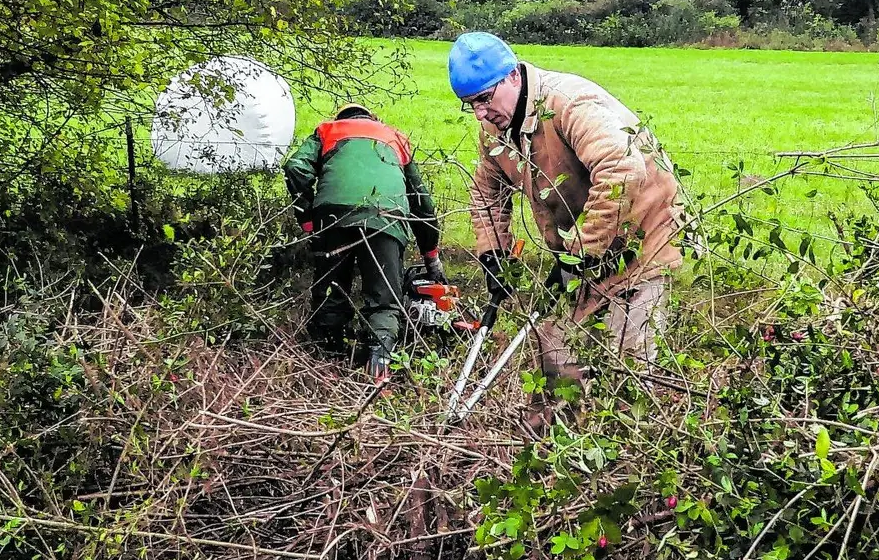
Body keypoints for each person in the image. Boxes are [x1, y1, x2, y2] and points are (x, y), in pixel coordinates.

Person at [448, 31, 685, 403]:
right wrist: (494, 254)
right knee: (555, 343)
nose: (480, 113)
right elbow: (486, 193)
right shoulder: (494, 127)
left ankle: (628, 449)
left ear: (512, 76)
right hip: (582, 252)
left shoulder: (569, 104)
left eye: (483, 99)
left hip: (643, 244)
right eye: (469, 104)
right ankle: (560, 439)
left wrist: (581, 249)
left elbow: (622, 169)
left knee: (628, 363)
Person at [282, 102, 444, 383]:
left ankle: (324, 368)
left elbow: (296, 168)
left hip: (333, 217)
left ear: (340, 117)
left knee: (331, 294)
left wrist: (308, 219)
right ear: (372, 118)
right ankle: (378, 371)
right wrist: (431, 256)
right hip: (387, 217)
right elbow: (422, 203)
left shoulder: (327, 131)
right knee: (385, 302)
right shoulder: (394, 136)